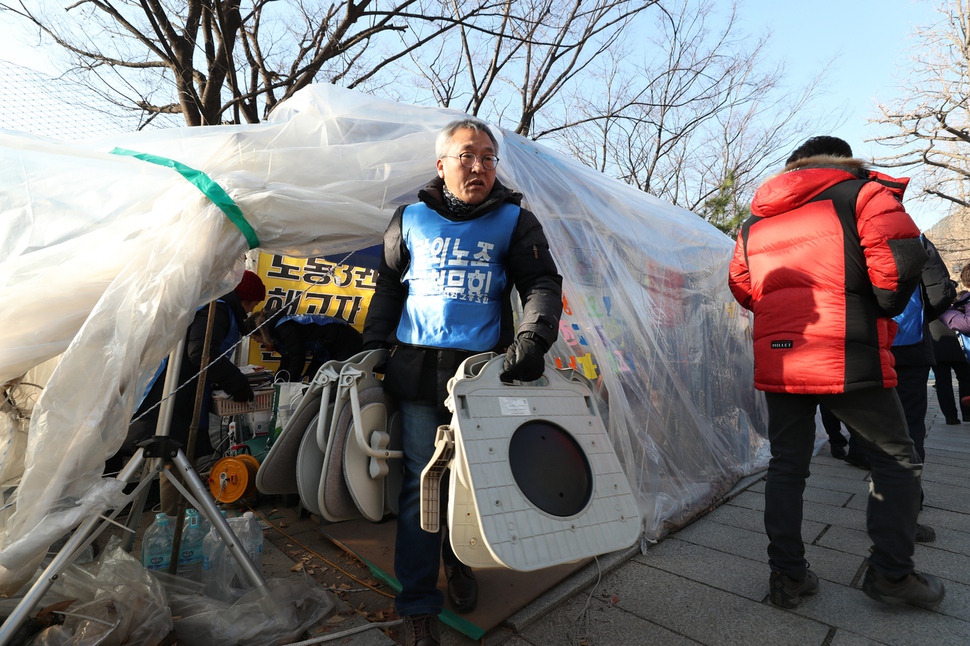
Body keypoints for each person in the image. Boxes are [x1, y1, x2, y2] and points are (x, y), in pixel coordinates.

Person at [362, 117, 563, 645]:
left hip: (482, 379)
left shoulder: (516, 221)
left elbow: (541, 282)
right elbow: (388, 287)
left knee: (472, 488)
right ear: (442, 164)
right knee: (420, 487)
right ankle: (418, 605)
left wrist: (533, 340)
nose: (479, 166)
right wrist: (372, 348)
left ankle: (463, 561)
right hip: (417, 373)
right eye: (467, 155)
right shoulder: (407, 219)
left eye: (489, 157)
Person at [729, 135, 945, 610]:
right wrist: (882, 307)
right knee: (895, 458)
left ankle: (787, 577)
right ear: (843, 160)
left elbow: (743, 287)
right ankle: (892, 573)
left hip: (782, 356)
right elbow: (903, 258)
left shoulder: (755, 221)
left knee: (788, 464)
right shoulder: (863, 194)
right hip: (846, 348)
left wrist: (780, 316)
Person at [115, 270, 266, 514]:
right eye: (252, 303)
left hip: (180, 398)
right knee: (175, 461)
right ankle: (173, 522)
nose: (251, 310)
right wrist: (235, 382)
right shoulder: (217, 310)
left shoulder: (217, 308)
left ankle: (179, 519)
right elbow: (200, 352)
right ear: (243, 298)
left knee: (177, 461)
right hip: (176, 400)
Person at [250, 305, 363, 382]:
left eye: (255, 337)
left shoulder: (284, 328)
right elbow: (286, 360)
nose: (257, 341)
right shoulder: (276, 333)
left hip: (342, 340)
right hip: (326, 346)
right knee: (314, 379)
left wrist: (288, 384)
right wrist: (278, 382)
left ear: (260, 330)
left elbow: (297, 358)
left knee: (330, 380)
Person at [929, 317, 970, 424]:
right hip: (960, 339)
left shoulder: (928, 300)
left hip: (936, 338)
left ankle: (950, 416)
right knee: (966, 379)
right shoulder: (962, 300)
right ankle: (968, 413)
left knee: (942, 381)